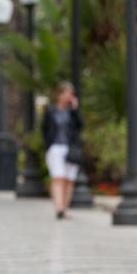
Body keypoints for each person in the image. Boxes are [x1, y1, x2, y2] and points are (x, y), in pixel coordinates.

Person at [42, 81, 83, 220]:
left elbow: (80, 126)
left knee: (69, 179)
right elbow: (45, 129)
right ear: (59, 94)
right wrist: (47, 146)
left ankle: (65, 208)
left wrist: (75, 110)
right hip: (55, 147)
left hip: (70, 148)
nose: (69, 96)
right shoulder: (51, 111)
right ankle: (58, 207)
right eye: (66, 93)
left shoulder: (72, 113)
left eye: (71, 94)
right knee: (58, 177)